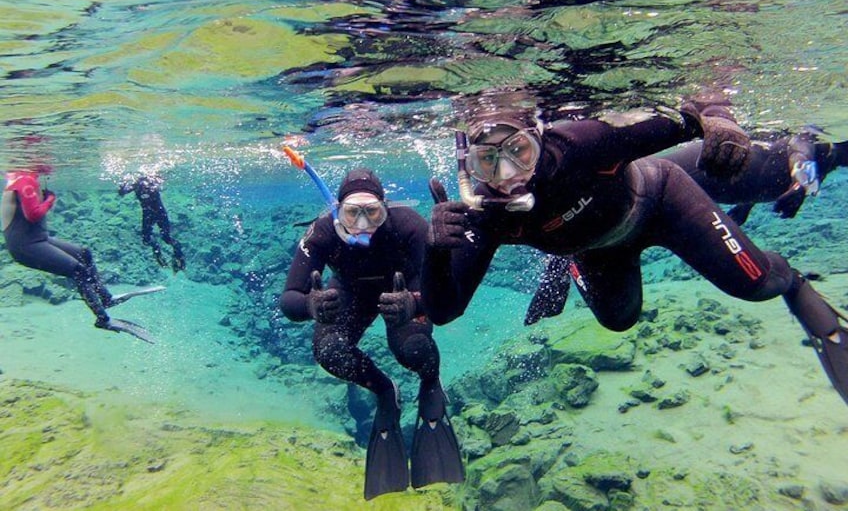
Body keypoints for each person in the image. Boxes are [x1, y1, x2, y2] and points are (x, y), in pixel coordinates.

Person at [421, 98, 848, 406]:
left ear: (538, 137)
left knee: (758, 284)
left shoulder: (583, 143)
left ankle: (794, 281)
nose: (508, 176)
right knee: (618, 320)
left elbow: (690, 115)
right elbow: (443, 310)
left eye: (520, 152)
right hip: (598, 248)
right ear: (469, 166)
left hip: (660, 199)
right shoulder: (484, 214)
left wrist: (721, 122)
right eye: (488, 162)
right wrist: (436, 251)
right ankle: (566, 262)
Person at [525, 127, 848, 325]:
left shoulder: (825, 161)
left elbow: (763, 170)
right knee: (610, 202)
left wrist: (744, 208)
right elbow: (800, 147)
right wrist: (801, 186)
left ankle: (569, 251)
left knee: (620, 318)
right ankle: (564, 254)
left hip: (687, 191)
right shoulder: (822, 147)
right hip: (670, 181)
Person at [279, 168, 464, 500]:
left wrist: (415, 303)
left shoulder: (407, 224)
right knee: (330, 352)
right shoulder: (321, 231)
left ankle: (430, 382)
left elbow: (442, 287)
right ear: (337, 210)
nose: (363, 224)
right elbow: (290, 297)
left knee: (414, 349)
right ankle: (383, 390)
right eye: (352, 213)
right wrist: (311, 305)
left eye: (372, 213)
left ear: (385, 208)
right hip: (350, 292)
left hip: (404, 290)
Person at [2, 170, 160, 343]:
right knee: (78, 270)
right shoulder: (24, 180)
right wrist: (50, 199)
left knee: (84, 253)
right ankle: (103, 319)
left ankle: (106, 298)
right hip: (25, 246)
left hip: (38, 239)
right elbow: (33, 215)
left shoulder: (24, 180)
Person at [119, 174, 185, 272]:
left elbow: (161, 181)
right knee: (146, 239)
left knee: (166, 238)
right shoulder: (136, 185)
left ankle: (178, 254)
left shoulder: (151, 181)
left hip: (160, 213)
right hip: (148, 214)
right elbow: (123, 192)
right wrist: (122, 187)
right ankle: (157, 249)